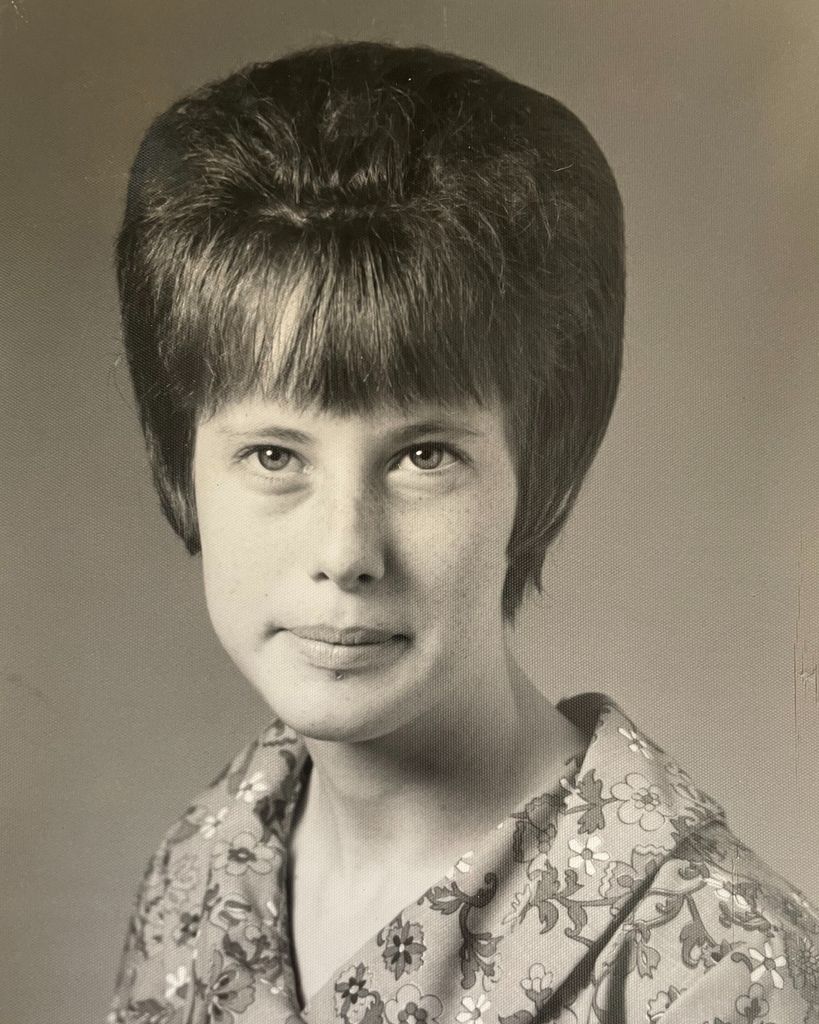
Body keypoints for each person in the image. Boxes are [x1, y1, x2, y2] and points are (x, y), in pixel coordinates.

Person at [109, 41, 818, 1024]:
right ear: (181, 464)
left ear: (538, 471)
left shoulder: (713, 971)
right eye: (274, 455)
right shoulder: (204, 865)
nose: (345, 551)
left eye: (423, 456)